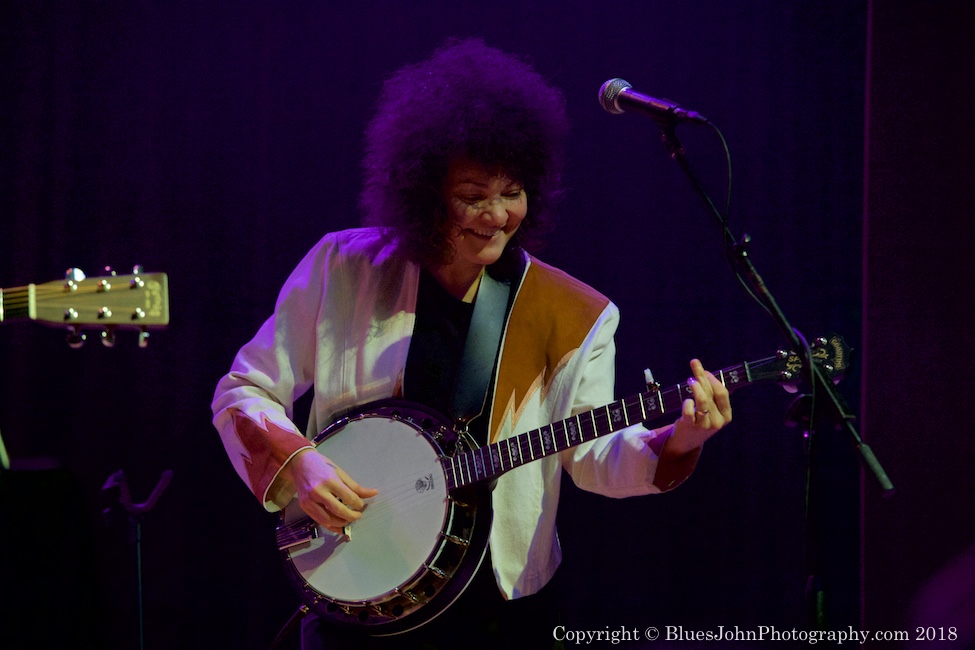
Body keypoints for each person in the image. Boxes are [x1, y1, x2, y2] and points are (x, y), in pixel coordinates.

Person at [211, 38, 732, 650]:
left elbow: (593, 459)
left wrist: (681, 439)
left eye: (512, 191)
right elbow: (243, 390)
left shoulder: (575, 314)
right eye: (473, 195)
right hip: (357, 598)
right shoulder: (341, 269)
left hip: (499, 616)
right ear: (423, 189)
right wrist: (300, 463)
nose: (497, 215)